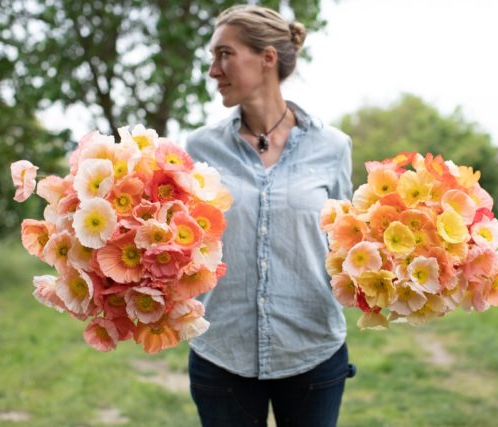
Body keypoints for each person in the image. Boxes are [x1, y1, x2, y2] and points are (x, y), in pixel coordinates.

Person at [185, 5, 355, 427]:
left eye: (225, 54)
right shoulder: (198, 149)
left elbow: (347, 244)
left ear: (267, 58)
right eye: (212, 56)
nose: (213, 69)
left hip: (312, 349)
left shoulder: (332, 146)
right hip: (222, 351)